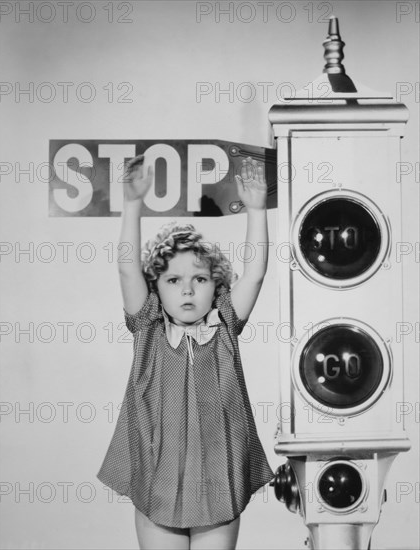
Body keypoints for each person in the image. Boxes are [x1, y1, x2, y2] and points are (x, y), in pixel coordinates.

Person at [97, 155, 273, 549]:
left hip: (217, 480)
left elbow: (256, 271)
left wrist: (257, 211)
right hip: (158, 477)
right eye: (174, 280)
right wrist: (132, 205)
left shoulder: (225, 322)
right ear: (156, 286)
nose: (188, 290)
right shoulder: (148, 326)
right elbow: (127, 269)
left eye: (200, 279)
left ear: (217, 284)